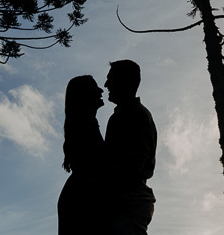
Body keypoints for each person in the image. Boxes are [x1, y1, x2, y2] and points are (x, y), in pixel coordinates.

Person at [104, 59, 156, 235]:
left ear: (125, 82)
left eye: (110, 79)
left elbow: (133, 164)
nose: (106, 85)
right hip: (122, 202)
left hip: (129, 202)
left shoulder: (137, 115)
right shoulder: (119, 117)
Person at [58, 75, 110, 235]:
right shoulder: (85, 127)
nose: (101, 90)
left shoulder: (86, 125)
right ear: (84, 96)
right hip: (83, 199)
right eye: (94, 87)